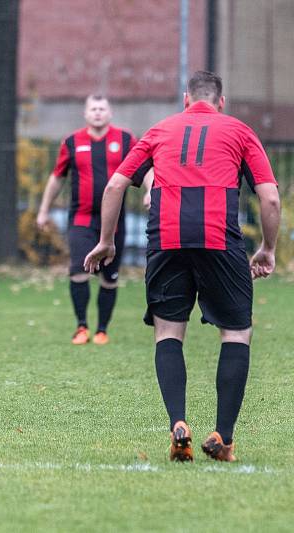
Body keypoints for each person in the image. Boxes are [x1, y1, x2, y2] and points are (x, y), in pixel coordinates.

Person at [84, 71, 280, 462]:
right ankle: (223, 437)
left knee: (169, 332)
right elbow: (270, 199)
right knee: (236, 333)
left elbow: (114, 186)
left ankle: (179, 422)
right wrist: (268, 249)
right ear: (221, 102)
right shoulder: (240, 131)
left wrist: (105, 241)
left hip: (166, 239)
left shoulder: (160, 130)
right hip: (220, 241)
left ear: (187, 99)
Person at [37, 94, 151, 345]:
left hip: (114, 221)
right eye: (93, 108)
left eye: (102, 108)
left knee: (109, 277)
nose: (98, 112)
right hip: (81, 218)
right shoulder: (72, 142)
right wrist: (43, 210)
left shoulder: (124, 139)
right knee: (78, 270)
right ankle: (81, 327)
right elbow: (57, 177)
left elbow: (145, 170)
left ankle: (102, 330)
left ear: (109, 113)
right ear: (86, 114)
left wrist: (151, 191)